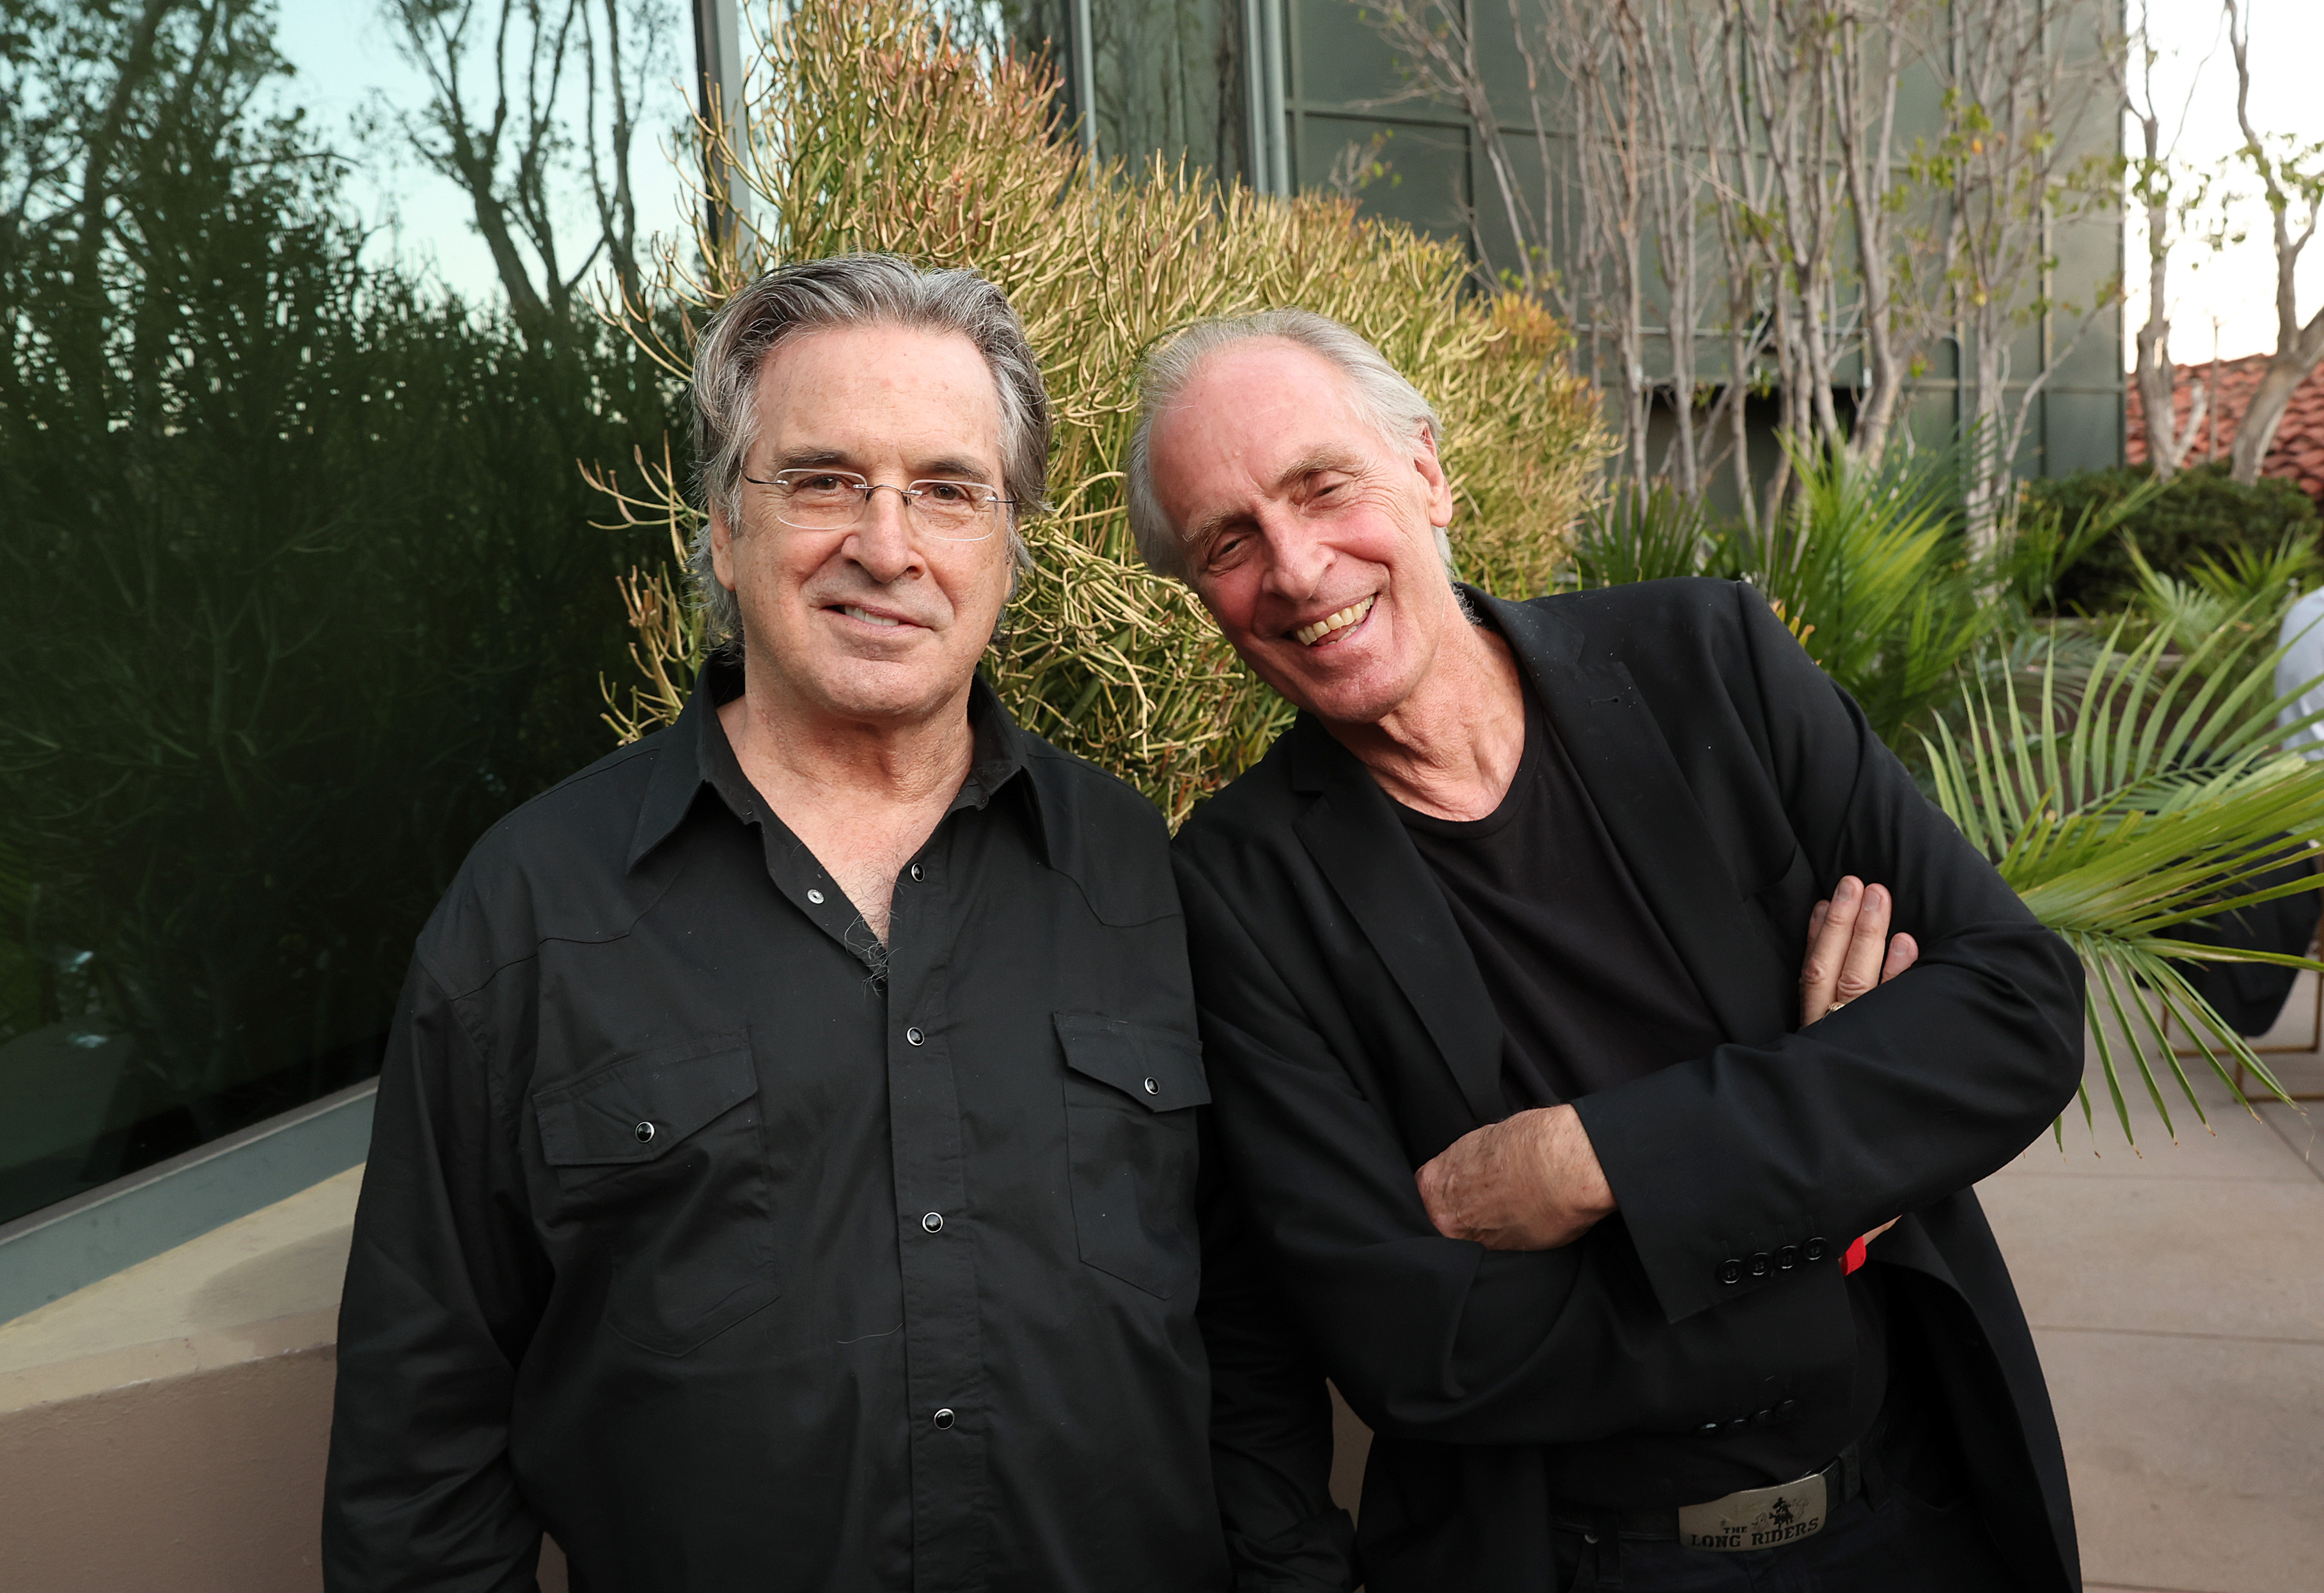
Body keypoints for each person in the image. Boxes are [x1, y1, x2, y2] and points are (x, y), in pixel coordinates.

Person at [1131, 310, 2087, 1592]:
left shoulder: (1709, 666)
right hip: (1569, 1561)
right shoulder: (1238, 891)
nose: (1297, 569)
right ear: (1205, 597)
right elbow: (1421, 1343)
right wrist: (1835, 1217)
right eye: (1229, 543)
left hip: (1910, 1516)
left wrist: (1596, 1161)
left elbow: (2012, 1011)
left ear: (1425, 471)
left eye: (1322, 486)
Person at [322, 255, 1227, 1591]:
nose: (886, 542)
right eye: (819, 480)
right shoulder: (534, 912)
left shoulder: (1139, 877)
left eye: (946, 490)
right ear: (721, 526)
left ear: (1007, 544)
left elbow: (1252, 1343)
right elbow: (420, 1453)